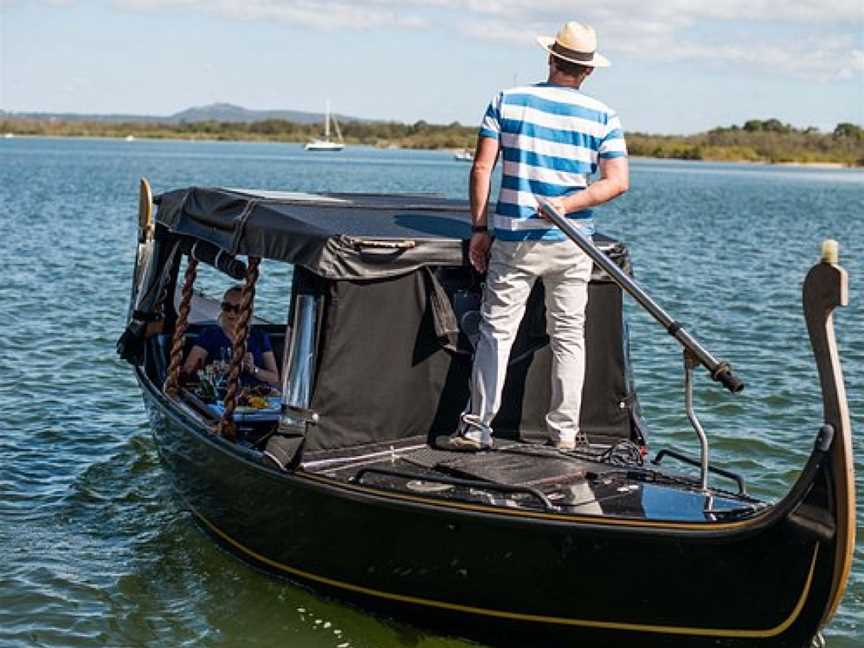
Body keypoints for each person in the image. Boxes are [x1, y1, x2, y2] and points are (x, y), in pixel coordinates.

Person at [441, 21, 629, 451]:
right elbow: (617, 182)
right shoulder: (604, 116)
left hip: (515, 239)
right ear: (589, 71)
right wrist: (567, 204)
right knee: (568, 337)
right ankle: (563, 435)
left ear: (551, 58)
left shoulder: (508, 101)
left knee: (497, 333)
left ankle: (477, 428)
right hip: (573, 242)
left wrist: (479, 229)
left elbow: (481, 170)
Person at [182, 286, 281, 389]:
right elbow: (188, 370)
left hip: (255, 398)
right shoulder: (210, 334)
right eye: (227, 307)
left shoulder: (260, 337)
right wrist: (216, 369)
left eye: (238, 309)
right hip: (220, 394)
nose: (231, 313)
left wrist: (253, 369)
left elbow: (275, 380)